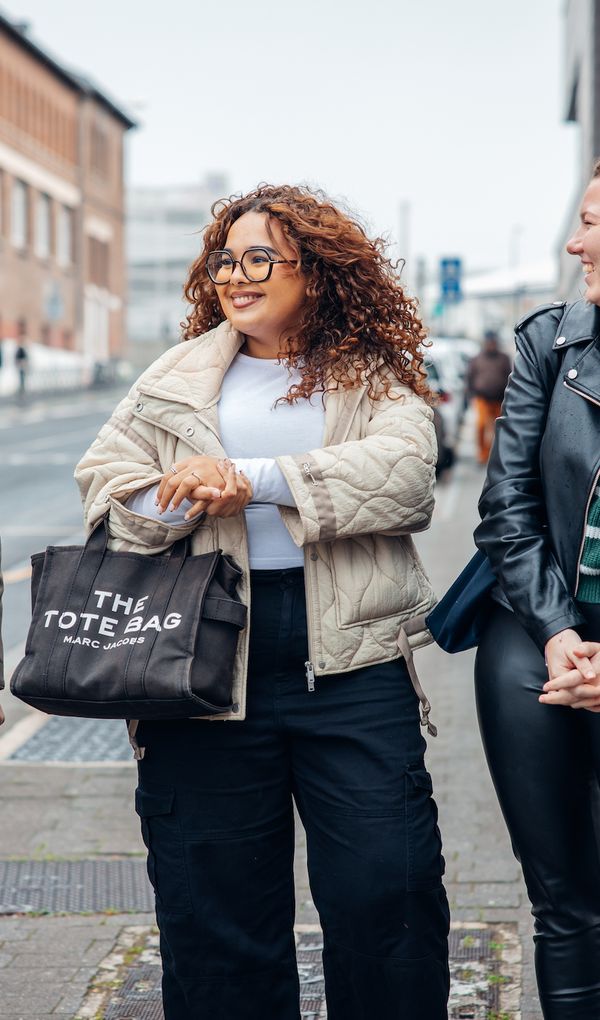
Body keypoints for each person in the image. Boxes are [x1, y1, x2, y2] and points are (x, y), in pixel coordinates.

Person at [75, 184, 449, 1020]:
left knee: (386, 890)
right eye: (224, 260)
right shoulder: (174, 378)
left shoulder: (368, 375)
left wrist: (254, 480)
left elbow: (407, 477)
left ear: (314, 272)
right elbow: (104, 488)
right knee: (215, 915)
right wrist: (176, 494)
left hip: (351, 662)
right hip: (201, 660)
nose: (235, 277)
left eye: (258, 259)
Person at [474, 158, 600, 1018]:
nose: (573, 238)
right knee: (564, 901)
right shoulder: (550, 341)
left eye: (594, 220)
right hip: (543, 631)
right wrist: (558, 631)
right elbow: (506, 508)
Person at [466, 330, 511, 463]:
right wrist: (470, 393)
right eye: (489, 342)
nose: (491, 344)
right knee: (481, 425)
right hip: (482, 398)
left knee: (498, 427)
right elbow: (470, 376)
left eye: (493, 342)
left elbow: (510, 376)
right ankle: (482, 453)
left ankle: (495, 453)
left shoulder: (504, 358)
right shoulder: (477, 358)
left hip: (499, 399)